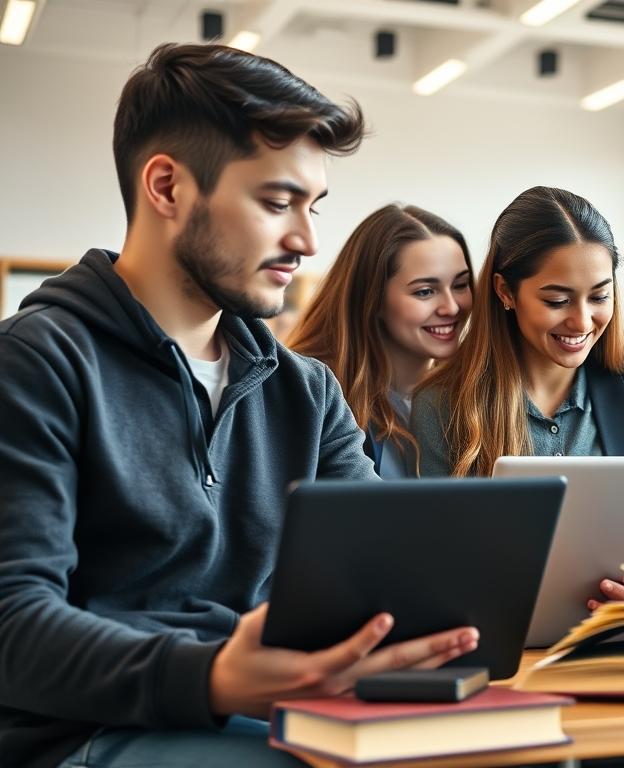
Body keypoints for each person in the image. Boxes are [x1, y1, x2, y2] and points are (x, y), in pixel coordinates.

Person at [0, 44, 479, 768]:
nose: (306, 240)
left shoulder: (308, 391)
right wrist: (213, 678)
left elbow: (383, 574)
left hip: (273, 718)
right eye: (277, 203)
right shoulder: (37, 362)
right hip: (88, 736)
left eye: (313, 207)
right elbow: (13, 624)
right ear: (167, 187)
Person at [409, 185, 624, 602]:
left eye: (599, 296)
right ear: (505, 292)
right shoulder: (443, 404)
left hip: (619, 622)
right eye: (557, 300)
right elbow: (439, 563)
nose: (582, 321)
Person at [289, 204, 473, 476]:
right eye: (425, 291)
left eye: (460, 285)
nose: (452, 307)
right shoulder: (311, 394)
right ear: (373, 298)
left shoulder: (472, 399)